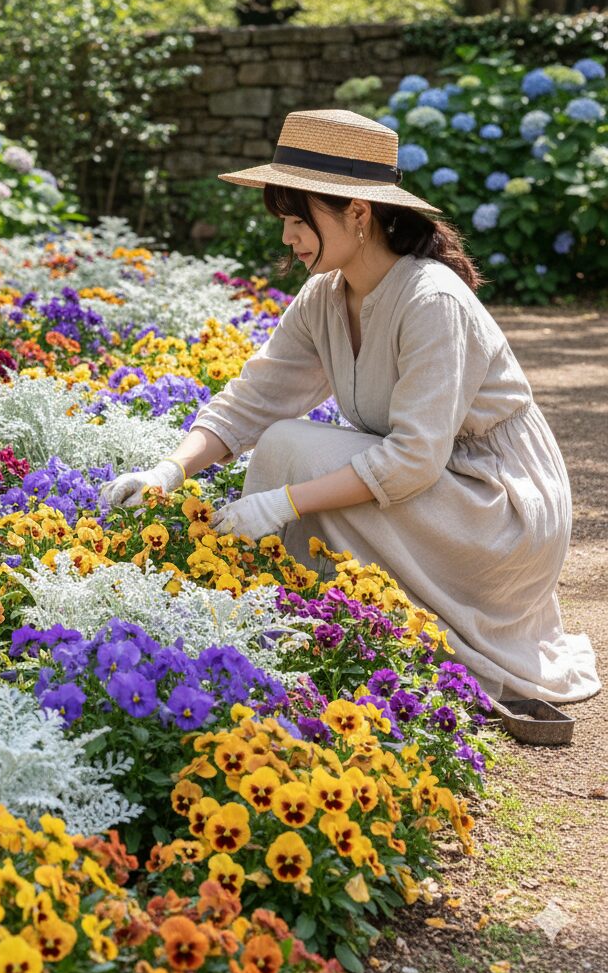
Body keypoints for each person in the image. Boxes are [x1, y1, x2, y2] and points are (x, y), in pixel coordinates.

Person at [100, 108, 600, 705]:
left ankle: (279, 628)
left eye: (296, 220)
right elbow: (252, 401)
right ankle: (293, 630)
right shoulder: (325, 296)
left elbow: (414, 459)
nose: (286, 237)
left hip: (499, 508)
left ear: (358, 213)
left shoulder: (431, 301)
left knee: (293, 450)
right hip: (439, 489)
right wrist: (168, 471)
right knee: (289, 441)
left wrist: (280, 504)